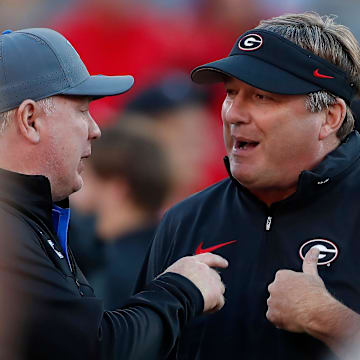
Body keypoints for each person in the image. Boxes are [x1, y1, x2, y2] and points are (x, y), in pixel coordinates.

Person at [138, 12, 360, 360]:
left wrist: (330, 319)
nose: (232, 113)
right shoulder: (186, 220)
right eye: (231, 93)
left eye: (261, 97)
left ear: (329, 117)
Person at [0, 28, 227, 359]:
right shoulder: (8, 228)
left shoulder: (29, 218)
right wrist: (180, 290)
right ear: (30, 120)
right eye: (81, 110)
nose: (96, 129)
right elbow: (96, 349)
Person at [69, 119, 172, 309]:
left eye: (83, 174)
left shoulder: (108, 269)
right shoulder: (171, 252)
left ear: (116, 189)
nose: (72, 190)